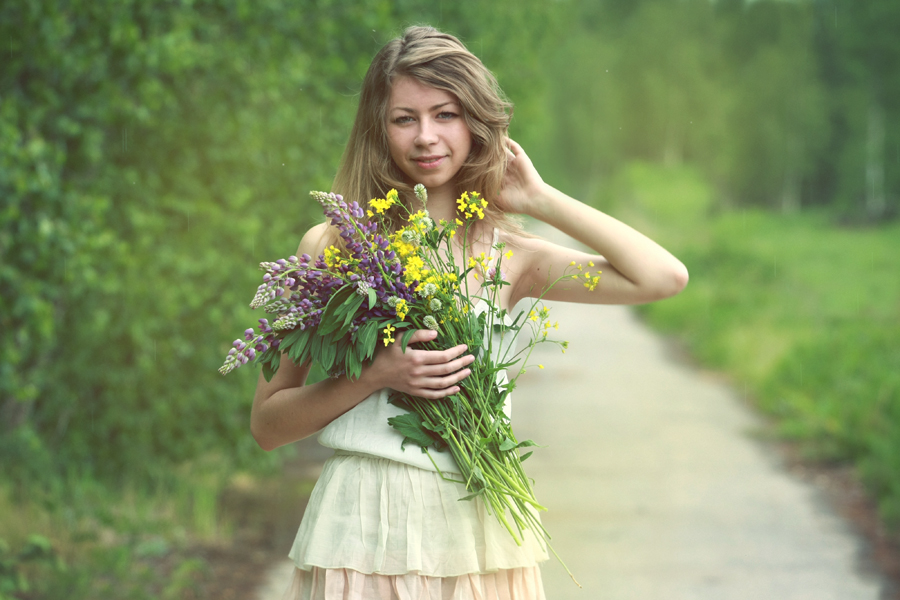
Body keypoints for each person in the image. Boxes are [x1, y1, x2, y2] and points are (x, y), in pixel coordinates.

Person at [251, 25, 688, 600]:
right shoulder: (332, 248)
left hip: (477, 531)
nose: (426, 137)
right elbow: (268, 425)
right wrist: (377, 374)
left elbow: (661, 277)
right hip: (361, 528)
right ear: (378, 129)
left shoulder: (512, 255)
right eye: (404, 118)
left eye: (445, 114)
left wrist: (541, 200)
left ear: (476, 123)